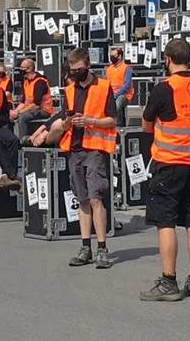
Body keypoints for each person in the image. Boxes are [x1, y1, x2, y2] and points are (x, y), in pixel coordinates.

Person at [138, 39, 190, 301]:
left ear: (167, 59)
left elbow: (147, 124)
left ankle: (168, 280)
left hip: (169, 162)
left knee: (165, 221)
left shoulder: (165, 89)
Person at [59, 48, 117, 270]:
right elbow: (64, 120)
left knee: (95, 199)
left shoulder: (103, 87)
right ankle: (86, 247)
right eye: (72, 71)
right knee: (82, 199)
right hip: (74, 147)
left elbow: (112, 120)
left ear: (88, 65)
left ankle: (102, 248)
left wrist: (91, 120)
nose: (75, 75)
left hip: (95, 148)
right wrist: (67, 123)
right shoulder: (69, 89)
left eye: (79, 70)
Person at [10, 59, 53, 137]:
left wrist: (19, 112)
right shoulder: (26, 81)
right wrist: (14, 111)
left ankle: (22, 140)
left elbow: (36, 105)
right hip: (31, 110)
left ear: (29, 69)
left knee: (23, 117)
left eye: (22, 67)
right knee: (10, 115)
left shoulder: (40, 82)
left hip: (44, 111)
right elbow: (24, 102)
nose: (20, 69)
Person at [103, 47, 133, 127]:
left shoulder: (126, 68)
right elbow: (105, 83)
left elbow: (126, 85)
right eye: (111, 55)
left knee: (117, 105)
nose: (111, 57)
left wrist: (115, 94)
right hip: (112, 94)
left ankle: (117, 125)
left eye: (113, 55)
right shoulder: (109, 69)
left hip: (124, 94)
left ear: (119, 56)